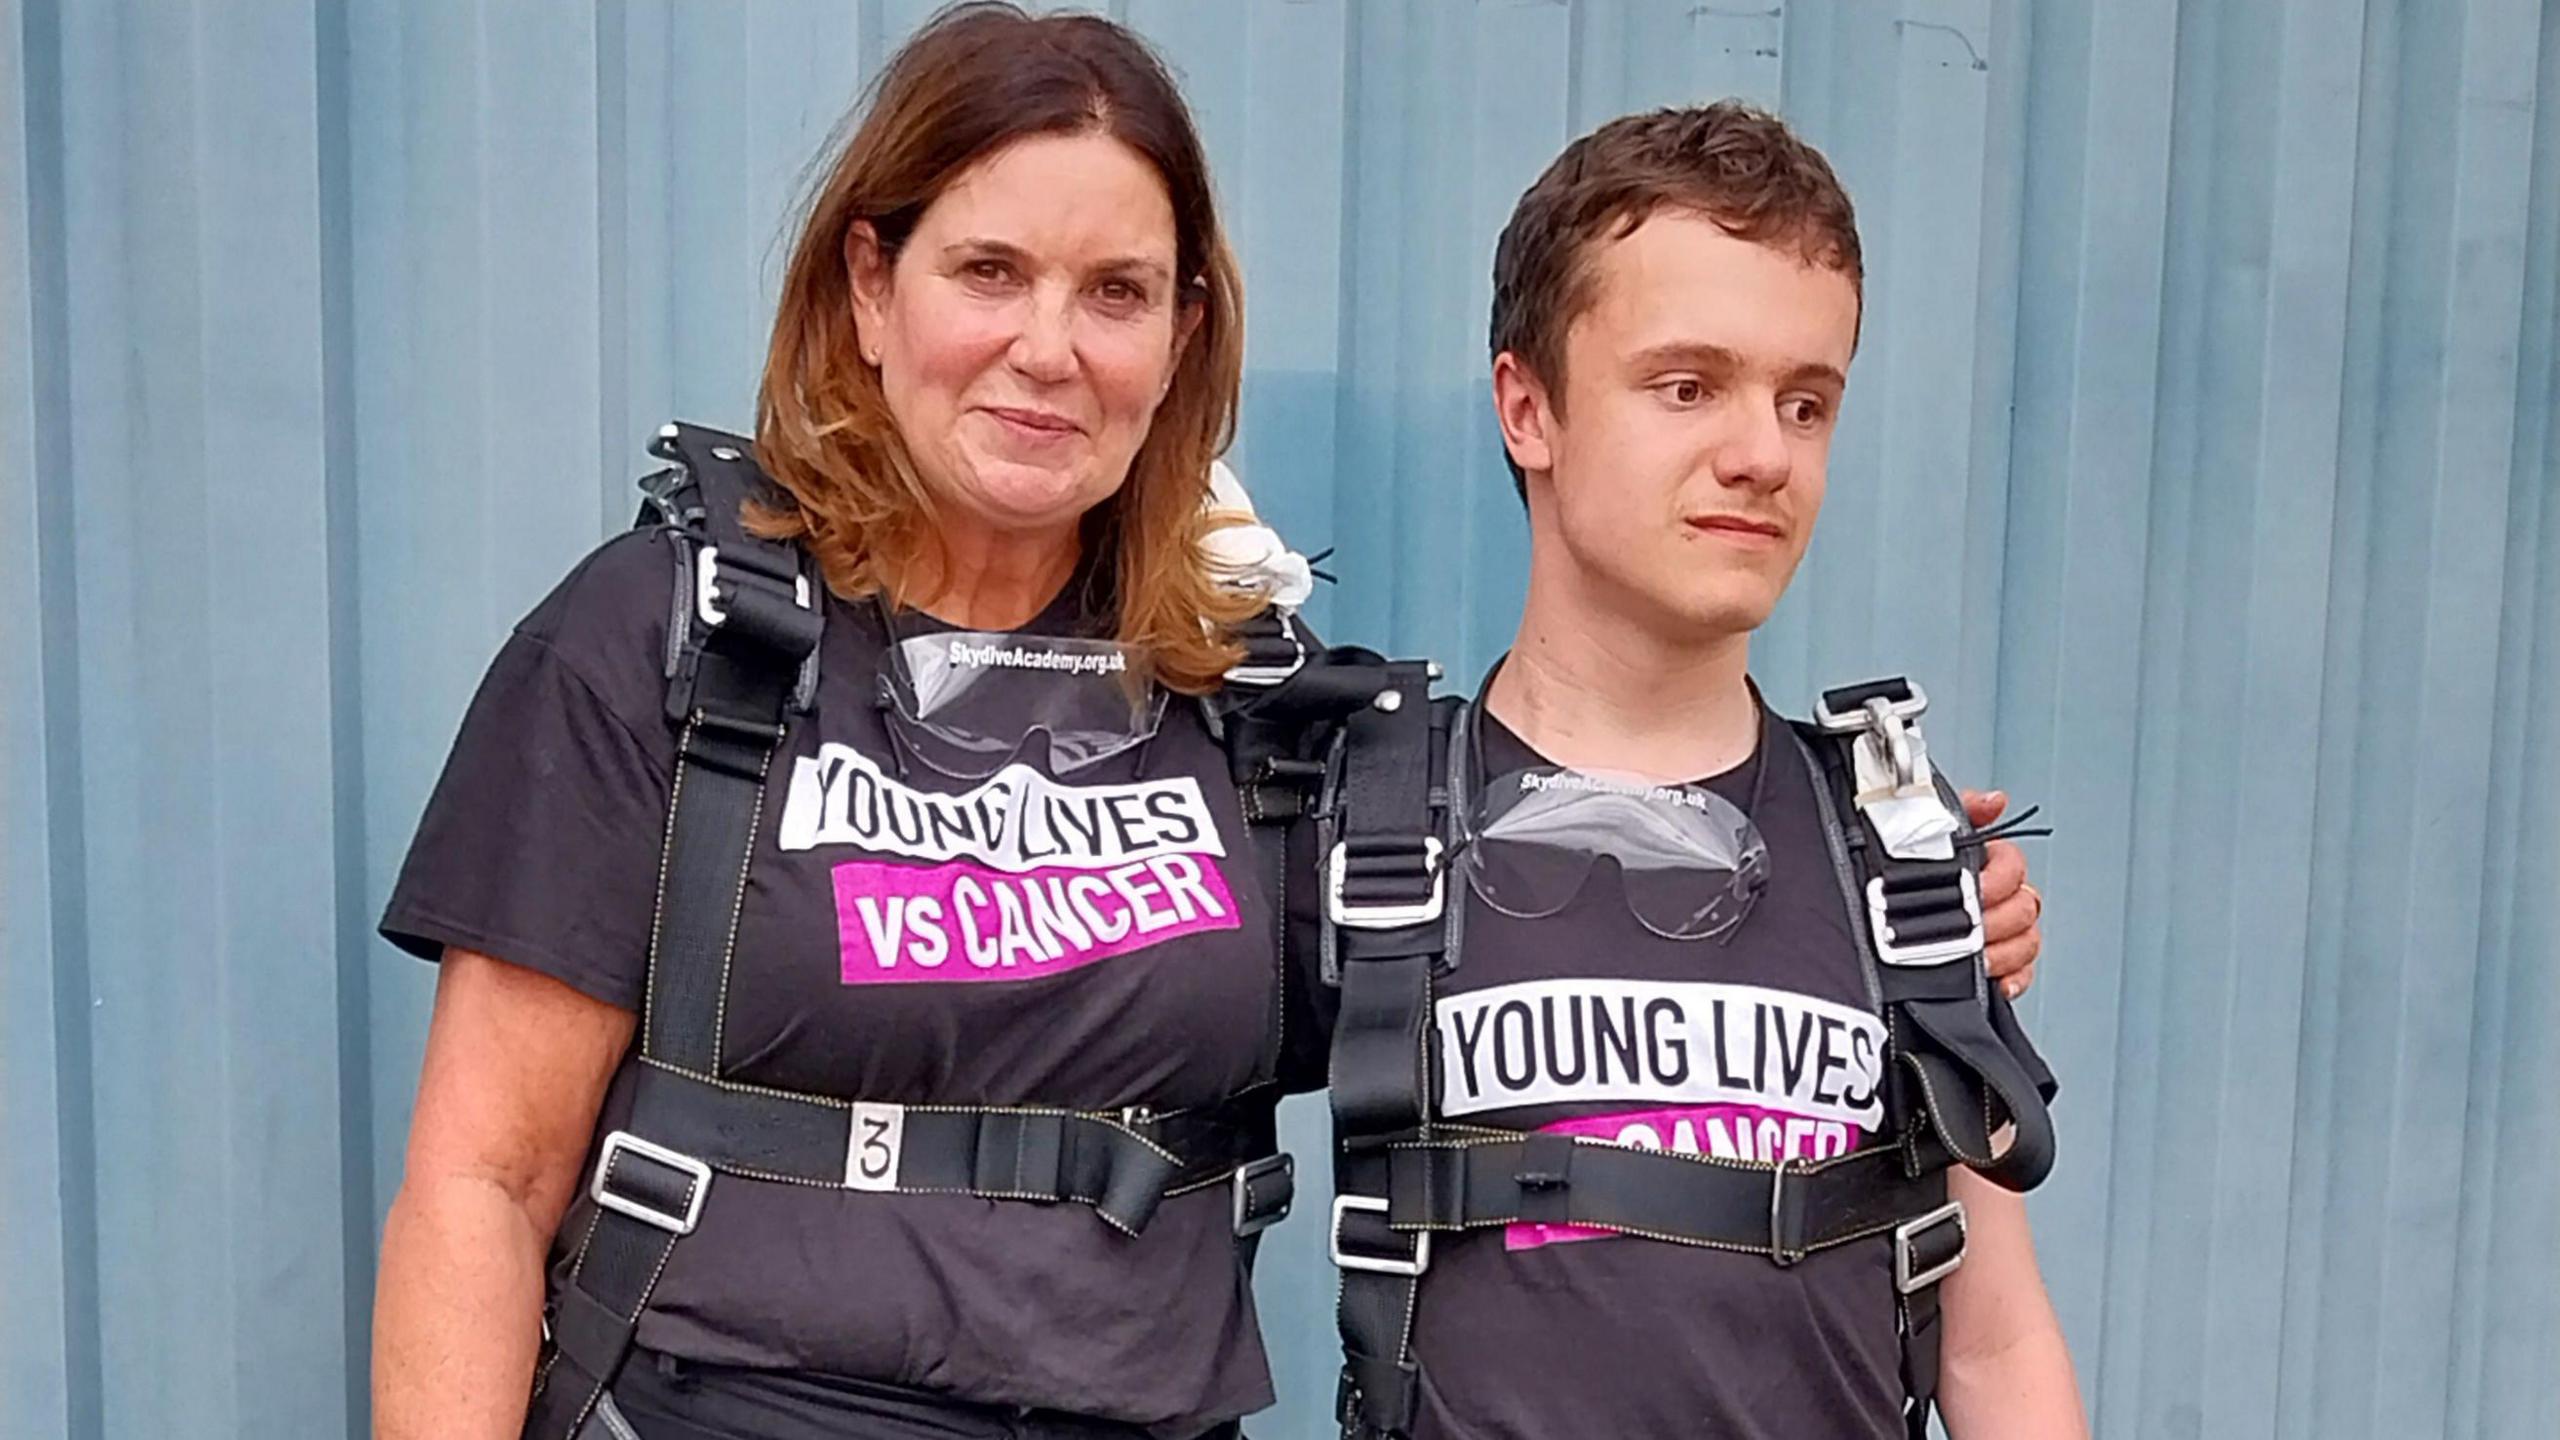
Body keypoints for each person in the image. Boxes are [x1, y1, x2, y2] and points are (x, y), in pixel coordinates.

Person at [368, 7, 2050, 1439]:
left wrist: (1898, 908)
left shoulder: (1251, 710)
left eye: (1116, 292)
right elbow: (479, 1191)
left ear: (1180, 338)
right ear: (870, 290)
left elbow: (1551, 958)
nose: (1048, 347)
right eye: (988, 271)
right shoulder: (679, 642)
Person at [1317, 104, 2086, 1440]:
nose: (1764, 454)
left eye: (1807, 400)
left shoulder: (1891, 850)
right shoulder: (1361, 829)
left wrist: (1967, 914)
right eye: (1688, 386)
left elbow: (1998, 1342)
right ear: (1527, 407)